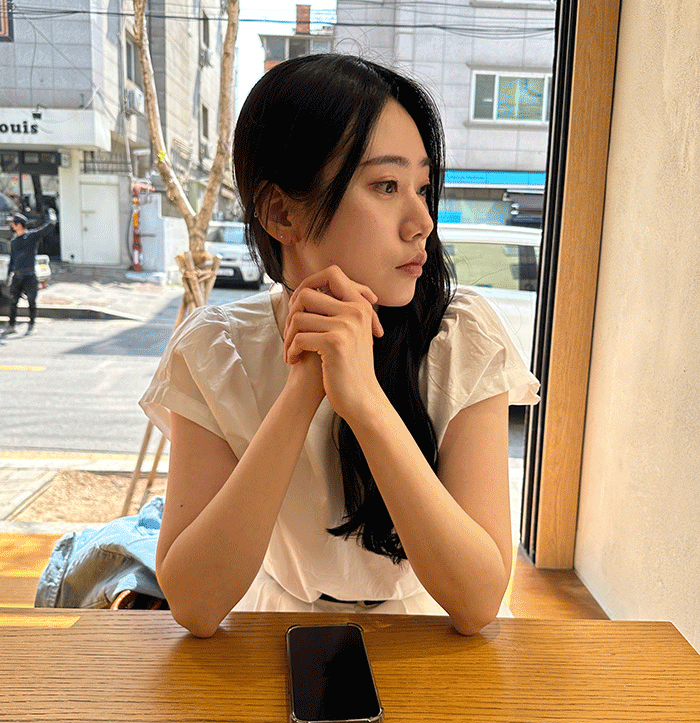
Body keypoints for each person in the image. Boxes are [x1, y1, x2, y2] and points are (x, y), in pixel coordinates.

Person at [140, 53, 539, 638]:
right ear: (281, 213)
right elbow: (196, 605)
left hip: (431, 635)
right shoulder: (216, 350)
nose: (422, 222)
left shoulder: (461, 336)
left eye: (422, 187)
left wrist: (364, 401)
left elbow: (478, 601)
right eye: (386, 186)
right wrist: (304, 387)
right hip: (276, 632)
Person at [2, 210, 55, 336]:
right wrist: (9, 276)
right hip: (17, 276)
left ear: (19, 225)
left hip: (30, 276)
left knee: (32, 302)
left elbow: (45, 229)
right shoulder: (14, 241)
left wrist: (52, 220)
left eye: (13, 224)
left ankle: (31, 325)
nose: (12, 226)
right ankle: (11, 325)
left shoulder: (31, 237)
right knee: (13, 301)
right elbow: (12, 260)